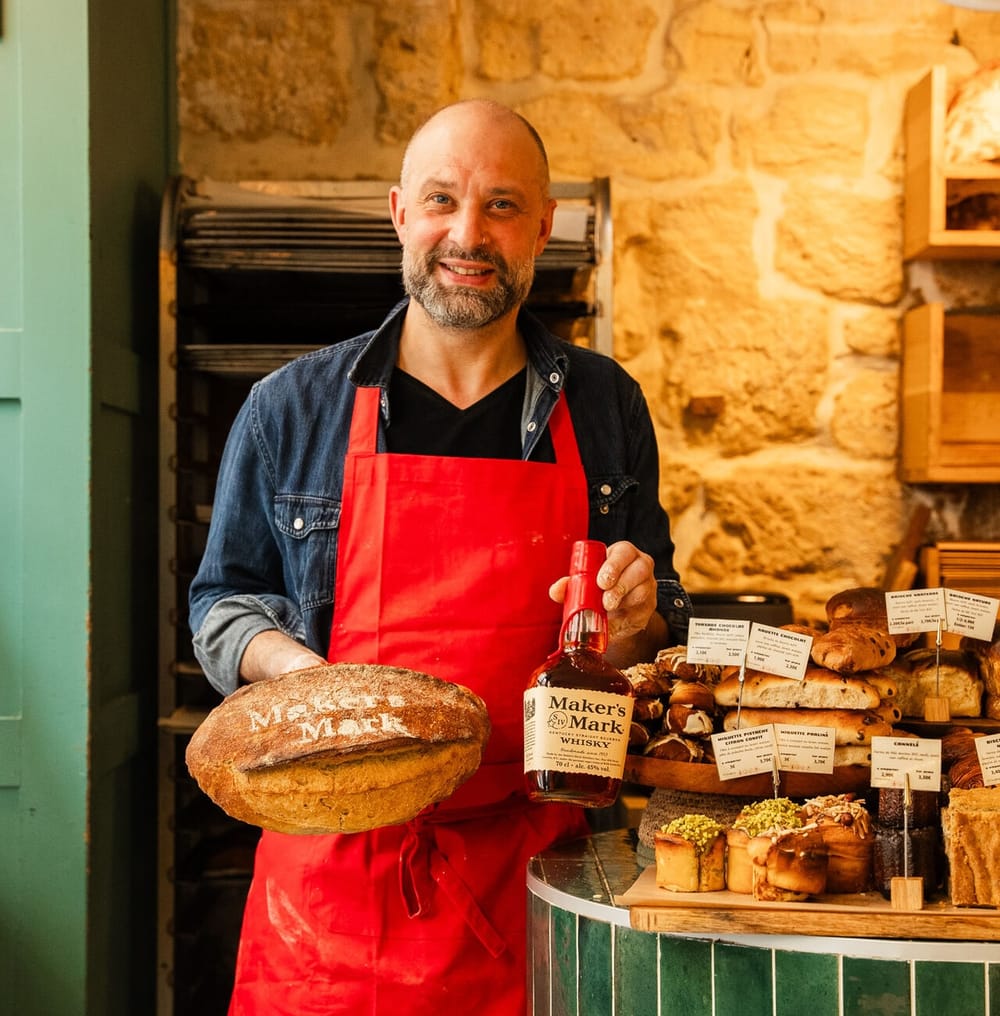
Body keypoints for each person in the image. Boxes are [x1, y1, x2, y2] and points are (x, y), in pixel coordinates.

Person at [188, 98, 691, 1016]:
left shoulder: (604, 405)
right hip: (332, 874)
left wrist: (637, 616)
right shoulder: (290, 409)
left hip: (540, 870)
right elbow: (223, 603)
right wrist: (307, 685)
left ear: (544, 225)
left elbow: (654, 634)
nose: (468, 234)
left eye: (502, 204)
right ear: (398, 213)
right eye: (441, 200)